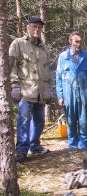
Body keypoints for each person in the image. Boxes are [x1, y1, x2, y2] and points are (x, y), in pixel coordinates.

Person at [9, 17, 51, 163]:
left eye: (39, 27)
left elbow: (47, 70)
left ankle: (35, 145)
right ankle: (21, 150)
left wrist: (49, 90)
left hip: (40, 92)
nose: (37, 30)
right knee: (23, 120)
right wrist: (14, 85)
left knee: (39, 120)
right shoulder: (18, 43)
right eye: (34, 26)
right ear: (28, 27)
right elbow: (11, 66)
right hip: (25, 91)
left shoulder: (43, 47)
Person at [56, 31, 87, 151]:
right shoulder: (63, 57)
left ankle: (84, 145)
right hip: (68, 93)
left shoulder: (86, 56)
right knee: (70, 119)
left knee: (84, 119)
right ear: (70, 41)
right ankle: (72, 145)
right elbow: (59, 77)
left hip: (83, 93)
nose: (78, 44)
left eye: (80, 41)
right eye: (76, 41)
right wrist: (60, 96)